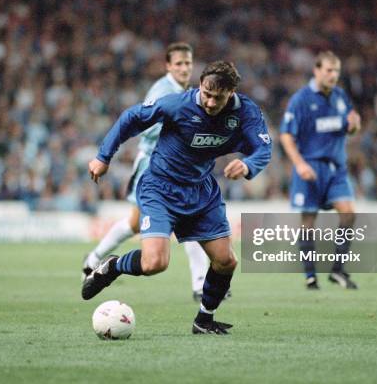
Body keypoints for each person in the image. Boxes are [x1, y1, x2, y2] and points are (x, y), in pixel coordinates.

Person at [85, 61, 272, 334]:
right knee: (155, 264)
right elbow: (131, 118)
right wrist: (103, 156)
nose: (208, 102)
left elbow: (263, 149)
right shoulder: (177, 104)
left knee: (226, 261)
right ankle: (112, 266)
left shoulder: (247, 113)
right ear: (200, 85)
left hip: (200, 192)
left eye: (217, 97)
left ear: (231, 92)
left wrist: (248, 165)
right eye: (205, 93)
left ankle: (204, 319)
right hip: (160, 188)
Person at [81, 43, 210, 301]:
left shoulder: (185, 92)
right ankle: (199, 286)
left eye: (188, 63)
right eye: (179, 64)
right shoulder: (164, 90)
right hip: (154, 165)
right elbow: (145, 125)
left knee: (142, 223)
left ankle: (93, 259)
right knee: (169, 222)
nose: (185, 68)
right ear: (168, 66)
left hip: (172, 167)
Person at [279, 51, 361, 290]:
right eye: (328, 70)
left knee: (348, 214)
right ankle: (310, 276)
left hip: (336, 167)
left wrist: (355, 125)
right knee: (308, 221)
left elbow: (350, 126)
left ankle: (338, 270)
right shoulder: (301, 99)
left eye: (336, 71)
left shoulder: (340, 96)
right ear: (316, 70)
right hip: (310, 166)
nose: (333, 75)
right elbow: (285, 134)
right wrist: (300, 164)